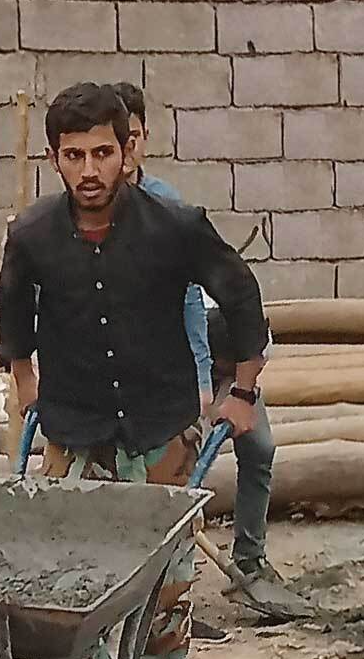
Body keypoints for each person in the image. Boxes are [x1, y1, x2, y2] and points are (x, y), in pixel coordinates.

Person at [0, 81, 269, 659]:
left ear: (126, 152)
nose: (89, 170)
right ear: (54, 159)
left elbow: (241, 295)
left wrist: (241, 392)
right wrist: (24, 379)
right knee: (66, 585)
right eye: (73, 155)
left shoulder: (173, 227)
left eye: (101, 153)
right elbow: (12, 309)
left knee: (165, 595)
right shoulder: (33, 235)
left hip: (159, 434)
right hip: (75, 432)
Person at [112, 82, 282, 606]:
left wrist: (206, 377)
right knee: (160, 480)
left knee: (258, 446)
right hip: (146, 378)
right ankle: (161, 597)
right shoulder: (87, 216)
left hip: (202, 356)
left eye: (134, 136)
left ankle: (249, 559)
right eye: (119, 139)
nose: (127, 149)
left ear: (143, 137)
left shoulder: (167, 206)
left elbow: (197, 297)